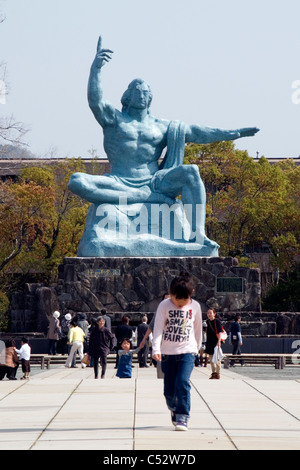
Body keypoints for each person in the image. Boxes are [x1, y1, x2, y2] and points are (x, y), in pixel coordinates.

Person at [68, 36, 259, 255]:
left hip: (154, 182)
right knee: (76, 180)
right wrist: (96, 69)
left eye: (146, 92)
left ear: (151, 98)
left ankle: (198, 234)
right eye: (137, 91)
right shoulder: (114, 120)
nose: (142, 95)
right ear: (127, 96)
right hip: (119, 181)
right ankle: (138, 196)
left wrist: (233, 133)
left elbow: (197, 132)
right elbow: (96, 101)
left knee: (191, 172)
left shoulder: (163, 127)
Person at [152, 272, 202, 432]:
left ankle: (183, 416)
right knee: (169, 391)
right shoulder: (164, 305)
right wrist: (156, 348)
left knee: (183, 382)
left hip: (188, 351)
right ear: (170, 294)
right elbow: (158, 328)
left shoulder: (195, 306)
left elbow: (198, 329)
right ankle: (173, 407)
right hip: (168, 353)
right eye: (176, 300)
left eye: (184, 301)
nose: (180, 304)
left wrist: (197, 348)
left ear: (191, 295)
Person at [206, 308, 223, 379]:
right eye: (208, 313)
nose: (209, 314)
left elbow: (220, 332)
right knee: (211, 359)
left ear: (214, 314)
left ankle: (218, 373)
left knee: (218, 358)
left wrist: (219, 341)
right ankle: (213, 373)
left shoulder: (217, 321)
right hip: (209, 342)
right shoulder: (207, 322)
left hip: (216, 342)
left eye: (210, 313)